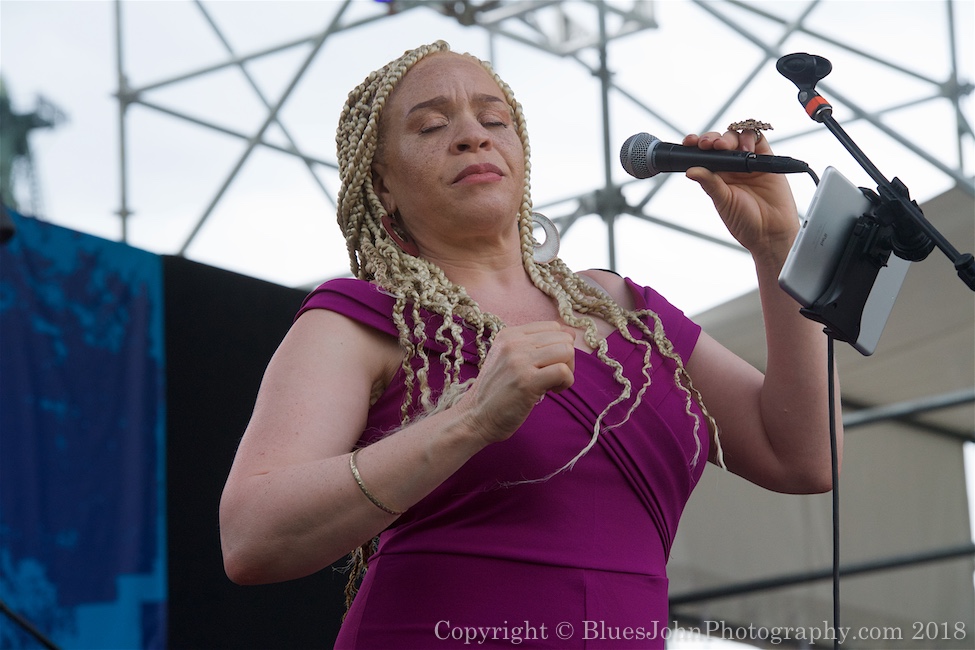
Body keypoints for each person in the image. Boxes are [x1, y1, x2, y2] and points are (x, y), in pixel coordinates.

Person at [219, 40, 842, 648]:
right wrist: (469, 419)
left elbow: (804, 457)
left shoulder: (625, 309)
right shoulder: (362, 321)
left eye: (495, 119)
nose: (473, 135)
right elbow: (252, 539)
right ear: (381, 184)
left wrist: (778, 251)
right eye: (433, 126)